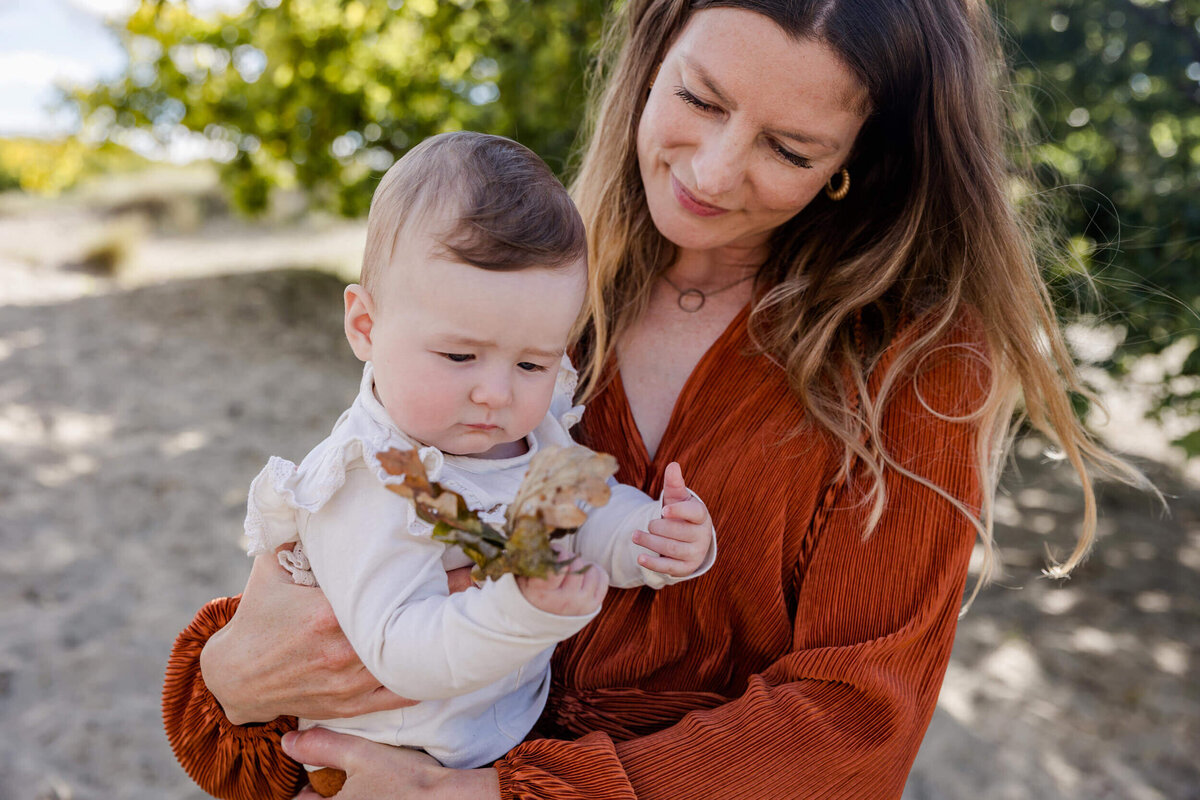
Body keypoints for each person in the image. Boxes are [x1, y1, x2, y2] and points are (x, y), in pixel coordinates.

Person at [163, 1, 1149, 798]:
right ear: (651, 48)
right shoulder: (532, 287)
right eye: (700, 97)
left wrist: (494, 792)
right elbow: (353, 561)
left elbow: (855, 720)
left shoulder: (918, 365)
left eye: (791, 149)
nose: (714, 173)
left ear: (857, 160)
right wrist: (229, 678)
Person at [189, 130, 715, 794]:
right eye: (460, 357)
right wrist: (522, 609)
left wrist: (649, 539)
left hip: (492, 750)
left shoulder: (534, 434)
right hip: (380, 763)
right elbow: (397, 654)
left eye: (531, 363)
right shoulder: (371, 480)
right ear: (366, 328)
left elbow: (588, 511)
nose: (496, 392)